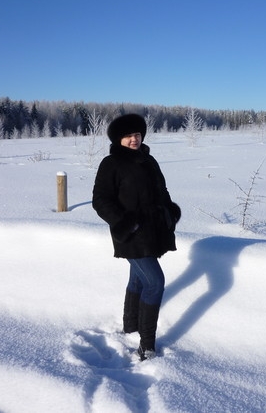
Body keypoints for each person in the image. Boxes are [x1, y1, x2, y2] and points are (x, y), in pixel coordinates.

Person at [92, 113, 181, 361]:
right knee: (155, 282)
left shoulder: (149, 160)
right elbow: (100, 200)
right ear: (119, 139)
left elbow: (162, 190)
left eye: (138, 134)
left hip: (153, 231)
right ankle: (147, 344)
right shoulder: (111, 164)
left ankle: (130, 326)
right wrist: (125, 222)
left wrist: (170, 212)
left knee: (138, 281)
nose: (134, 139)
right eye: (129, 135)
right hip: (131, 234)